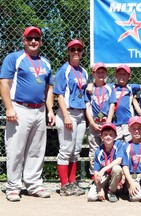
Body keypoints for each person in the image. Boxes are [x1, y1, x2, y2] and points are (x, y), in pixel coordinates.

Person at [0, 26, 55, 201]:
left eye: (37, 39)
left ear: (41, 42)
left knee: (36, 150)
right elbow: (4, 83)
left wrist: (50, 110)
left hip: (39, 109)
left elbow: (49, 88)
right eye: (30, 38)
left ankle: (33, 184)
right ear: (24, 40)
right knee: (15, 149)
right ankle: (13, 187)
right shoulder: (14, 58)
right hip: (19, 108)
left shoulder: (45, 62)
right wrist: (9, 107)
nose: (33, 41)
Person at [53, 39, 88, 196]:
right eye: (73, 49)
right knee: (66, 149)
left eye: (79, 50)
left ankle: (72, 183)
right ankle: (64, 184)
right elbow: (59, 94)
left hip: (80, 113)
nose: (76, 52)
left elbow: (85, 94)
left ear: (82, 52)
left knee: (76, 150)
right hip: (67, 113)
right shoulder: (64, 70)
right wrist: (66, 116)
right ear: (68, 51)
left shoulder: (83, 71)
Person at [85, 62, 117, 178]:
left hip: (106, 122)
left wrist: (108, 122)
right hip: (94, 122)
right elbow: (87, 107)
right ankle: (95, 174)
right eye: (98, 72)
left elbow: (112, 105)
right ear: (93, 74)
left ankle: (108, 173)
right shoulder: (89, 89)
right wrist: (92, 123)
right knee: (94, 149)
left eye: (103, 72)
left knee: (108, 147)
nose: (101, 74)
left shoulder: (109, 87)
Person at [87, 123, 123, 202]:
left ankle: (112, 191)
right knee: (91, 197)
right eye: (105, 135)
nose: (108, 137)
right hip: (104, 176)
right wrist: (99, 189)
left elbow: (119, 160)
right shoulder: (98, 151)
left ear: (115, 136)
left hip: (114, 174)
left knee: (117, 168)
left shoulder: (118, 145)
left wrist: (103, 170)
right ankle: (104, 189)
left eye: (111, 134)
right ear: (101, 136)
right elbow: (96, 172)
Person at [122, 116, 141, 204]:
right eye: (133, 128)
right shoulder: (126, 146)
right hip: (132, 175)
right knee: (135, 198)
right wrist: (131, 182)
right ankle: (129, 187)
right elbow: (125, 167)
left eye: (139, 128)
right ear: (129, 130)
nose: (137, 131)